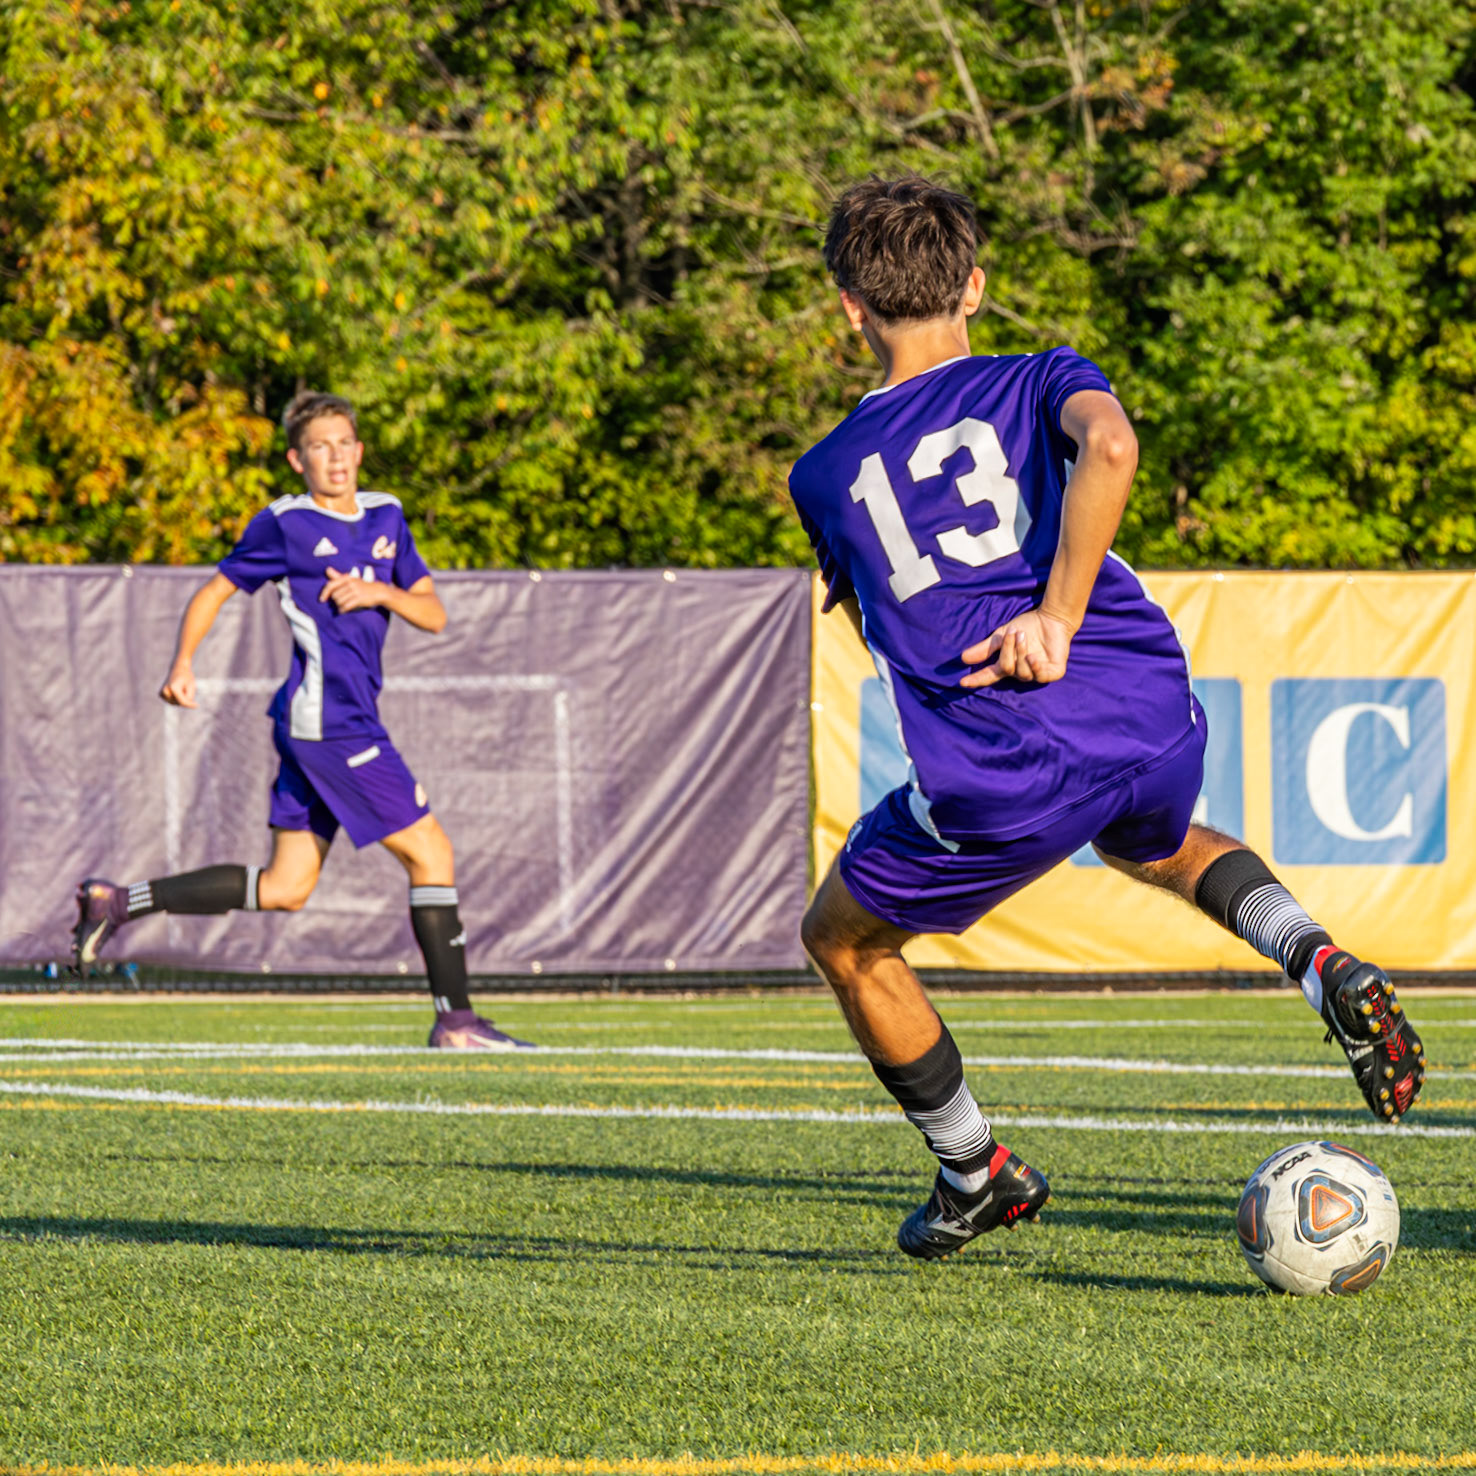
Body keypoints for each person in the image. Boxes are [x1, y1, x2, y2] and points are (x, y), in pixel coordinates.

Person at [789, 175, 1424, 1260]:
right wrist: (1069, 614)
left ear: (849, 307)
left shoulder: (825, 472)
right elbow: (1113, 446)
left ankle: (973, 1168)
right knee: (1165, 842)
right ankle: (1318, 961)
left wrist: (1046, 623)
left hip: (998, 763)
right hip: (1143, 705)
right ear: (976, 286)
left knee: (841, 939)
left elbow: (879, 616)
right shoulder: (1044, 376)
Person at [72, 391, 533, 1052]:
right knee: (432, 851)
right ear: (297, 459)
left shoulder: (387, 515)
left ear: (360, 451)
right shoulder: (284, 524)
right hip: (329, 722)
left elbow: (432, 613)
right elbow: (215, 589)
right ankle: (457, 1022)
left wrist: (380, 591)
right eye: (320, 446)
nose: (336, 456)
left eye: (345, 443)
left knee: (286, 889)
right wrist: (182, 663)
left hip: (329, 720)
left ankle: (116, 902)